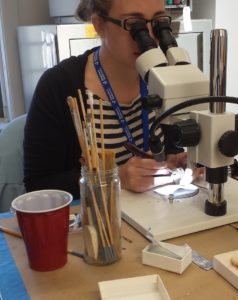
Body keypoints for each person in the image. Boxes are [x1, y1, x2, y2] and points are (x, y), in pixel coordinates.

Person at [23, 0, 200, 199]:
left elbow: (168, 147)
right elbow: (38, 186)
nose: (149, 35)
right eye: (134, 24)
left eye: (158, 22)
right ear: (99, 25)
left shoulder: (164, 78)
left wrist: (173, 161)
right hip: (102, 222)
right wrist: (115, 178)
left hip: (156, 213)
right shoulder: (59, 85)